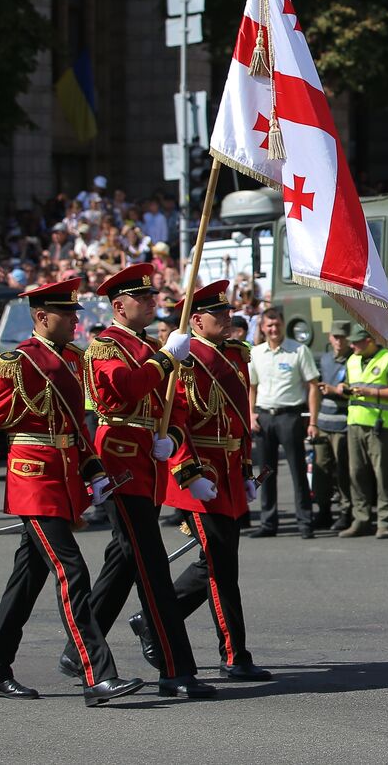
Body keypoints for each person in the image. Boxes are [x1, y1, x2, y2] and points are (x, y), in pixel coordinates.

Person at [0, 278, 144, 706]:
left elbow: (74, 427)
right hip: (32, 477)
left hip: (61, 478)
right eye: (68, 314)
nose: (76, 321)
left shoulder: (74, 360)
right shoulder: (15, 361)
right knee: (71, 570)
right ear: (42, 317)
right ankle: (96, 673)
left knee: (26, 581)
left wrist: (92, 469)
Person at [60, 263, 214, 699]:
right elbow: (119, 392)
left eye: (151, 298)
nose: (150, 303)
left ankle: (78, 651)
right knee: (150, 566)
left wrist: (174, 438)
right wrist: (165, 358)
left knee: (125, 558)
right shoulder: (105, 346)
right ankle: (175, 668)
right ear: (119, 306)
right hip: (120, 461)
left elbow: (171, 407)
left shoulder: (145, 345)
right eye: (141, 298)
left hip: (147, 458)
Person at [136, 280, 271, 681]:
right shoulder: (185, 357)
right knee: (220, 565)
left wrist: (246, 469)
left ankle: (153, 618)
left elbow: (239, 423)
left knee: (217, 561)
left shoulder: (234, 354)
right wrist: (188, 472)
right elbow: (173, 421)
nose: (229, 318)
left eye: (229, 312)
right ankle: (234, 654)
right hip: (200, 474)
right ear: (196, 320)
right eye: (220, 314)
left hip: (229, 471)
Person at [248, 307, 320, 539]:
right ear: (262, 327)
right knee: (266, 473)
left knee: (297, 471)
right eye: (269, 325)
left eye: (277, 324)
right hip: (264, 417)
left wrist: (313, 420)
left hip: (290, 416)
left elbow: (312, 386)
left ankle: (304, 523)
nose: (273, 329)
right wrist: (250, 414)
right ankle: (268, 523)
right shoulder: (256, 353)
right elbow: (252, 387)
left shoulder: (298, 350)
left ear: (283, 324)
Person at [345, 321, 388, 539]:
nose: (351, 347)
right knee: (356, 475)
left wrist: (370, 392)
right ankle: (360, 520)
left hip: (380, 427)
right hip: (354, 424)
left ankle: (385, 522)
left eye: (356, 343)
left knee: (382, 476)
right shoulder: (352, 361)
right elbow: (350, 390)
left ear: (368, 341)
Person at [313, 321, 354, 533]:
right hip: (323, 422)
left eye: (343, 337)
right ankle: (323, 510)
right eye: (335, 337)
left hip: (342, 423)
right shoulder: (325, 359)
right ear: (330, 338)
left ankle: (346, 512)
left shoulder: (353, 360)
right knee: (321, 470)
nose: (339, 341)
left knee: (343, 472)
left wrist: (337, 390)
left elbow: (353, 390)